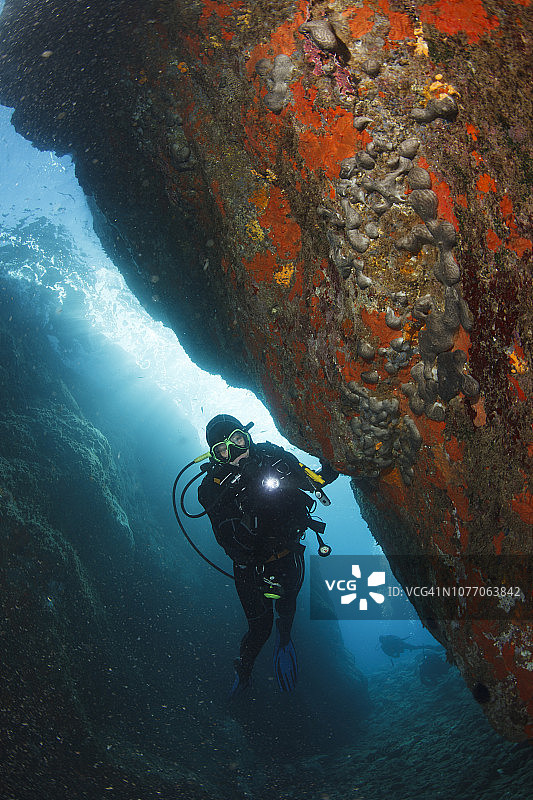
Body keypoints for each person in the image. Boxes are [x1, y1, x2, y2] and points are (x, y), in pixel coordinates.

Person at [198, 414, 337, 695]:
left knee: (287, 609)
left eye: (238, 440)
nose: (236, 453)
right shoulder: (212, 487)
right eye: (223, 450)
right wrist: (252, 500)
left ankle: (284, 641)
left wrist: (334, 459)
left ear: (247, 436)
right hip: (250, 569)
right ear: (214, 456)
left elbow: (315, 480)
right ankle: (244, 670)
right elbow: (232, 544)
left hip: (288, 554)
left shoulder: (272, 456)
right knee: (259, 628)